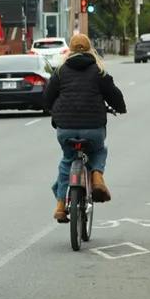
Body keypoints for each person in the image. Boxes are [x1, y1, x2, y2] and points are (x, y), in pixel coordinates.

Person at [43, 34, 127, 221]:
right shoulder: (98, 71)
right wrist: (120, 108)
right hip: (93, 129)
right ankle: (97, 176)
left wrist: (54, 109)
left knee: (67, 160)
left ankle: (60, 205)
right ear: (90, 50)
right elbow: (114, 95)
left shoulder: (60, 72)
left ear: (70, 51)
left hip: (66, 129)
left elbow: (47, 98)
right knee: (99, 150)